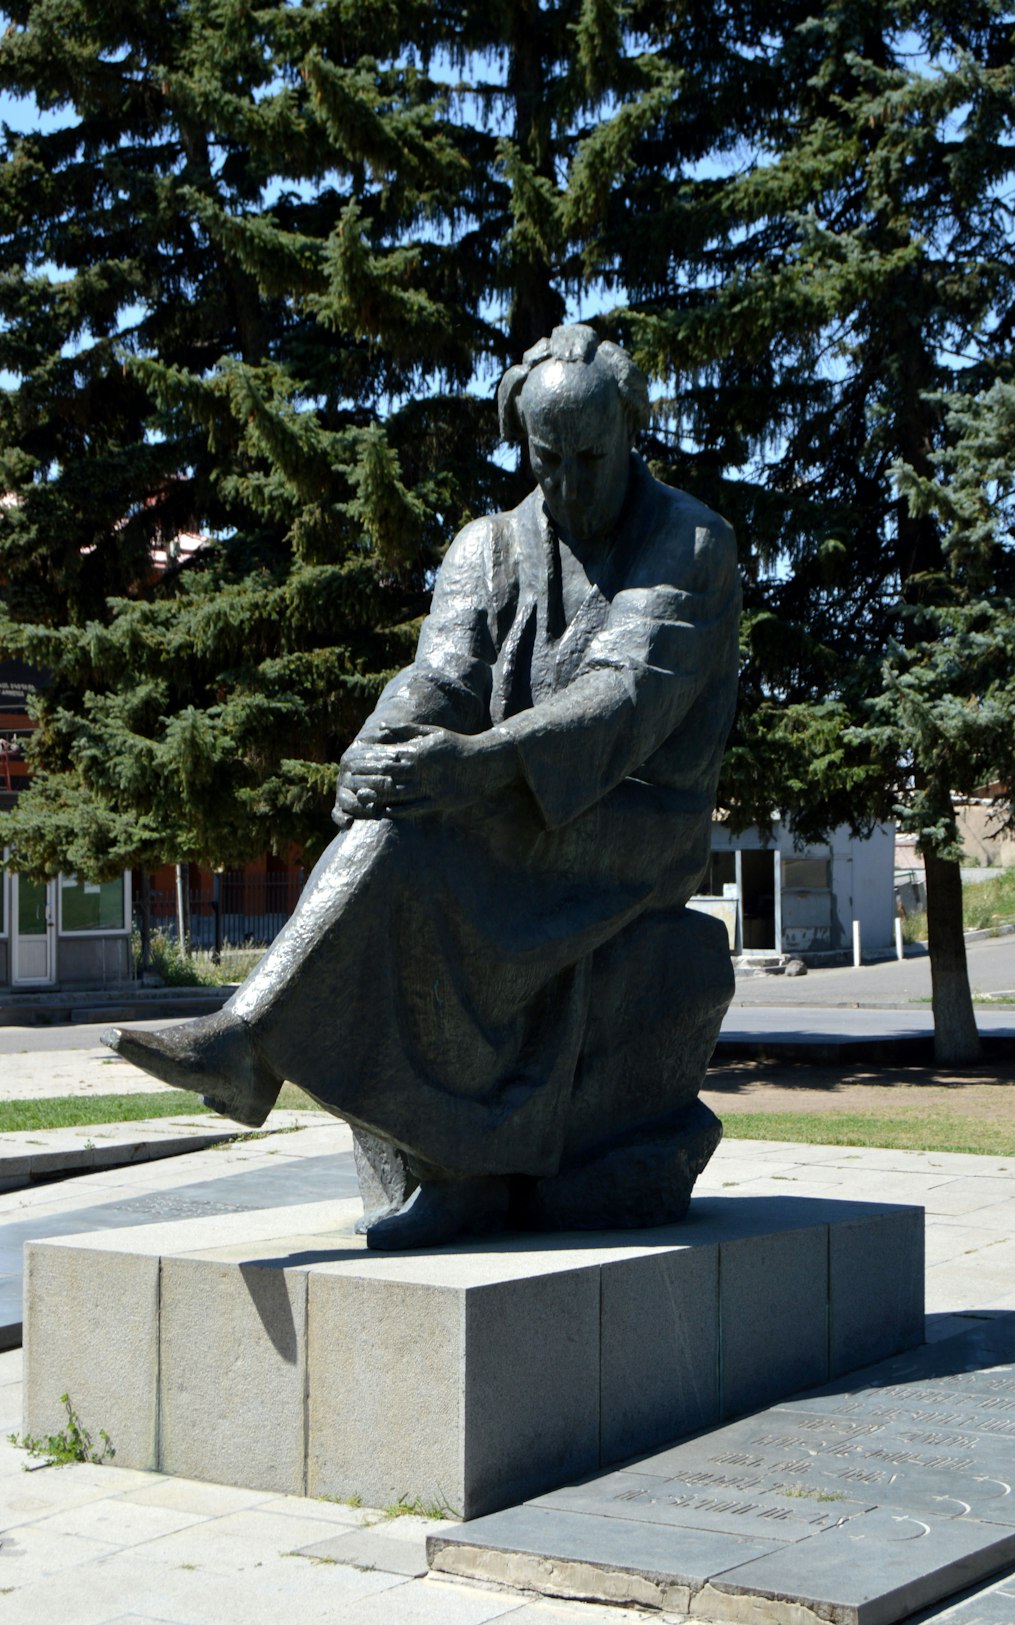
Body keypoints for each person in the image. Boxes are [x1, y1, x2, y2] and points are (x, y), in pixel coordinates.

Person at [105, 324, 742, 1248]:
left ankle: (253, 1043)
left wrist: (474, 765)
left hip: (635, 819)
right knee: (391, 824)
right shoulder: (487, 545)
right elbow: (438, 678)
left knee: (425, 839)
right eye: (547, 460)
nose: (567, 484)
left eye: (591, 458)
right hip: (513, 802)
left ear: (631, 433)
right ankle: (425, 1151)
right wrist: (377, 750)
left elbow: (622, 696)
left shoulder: (689, 541)